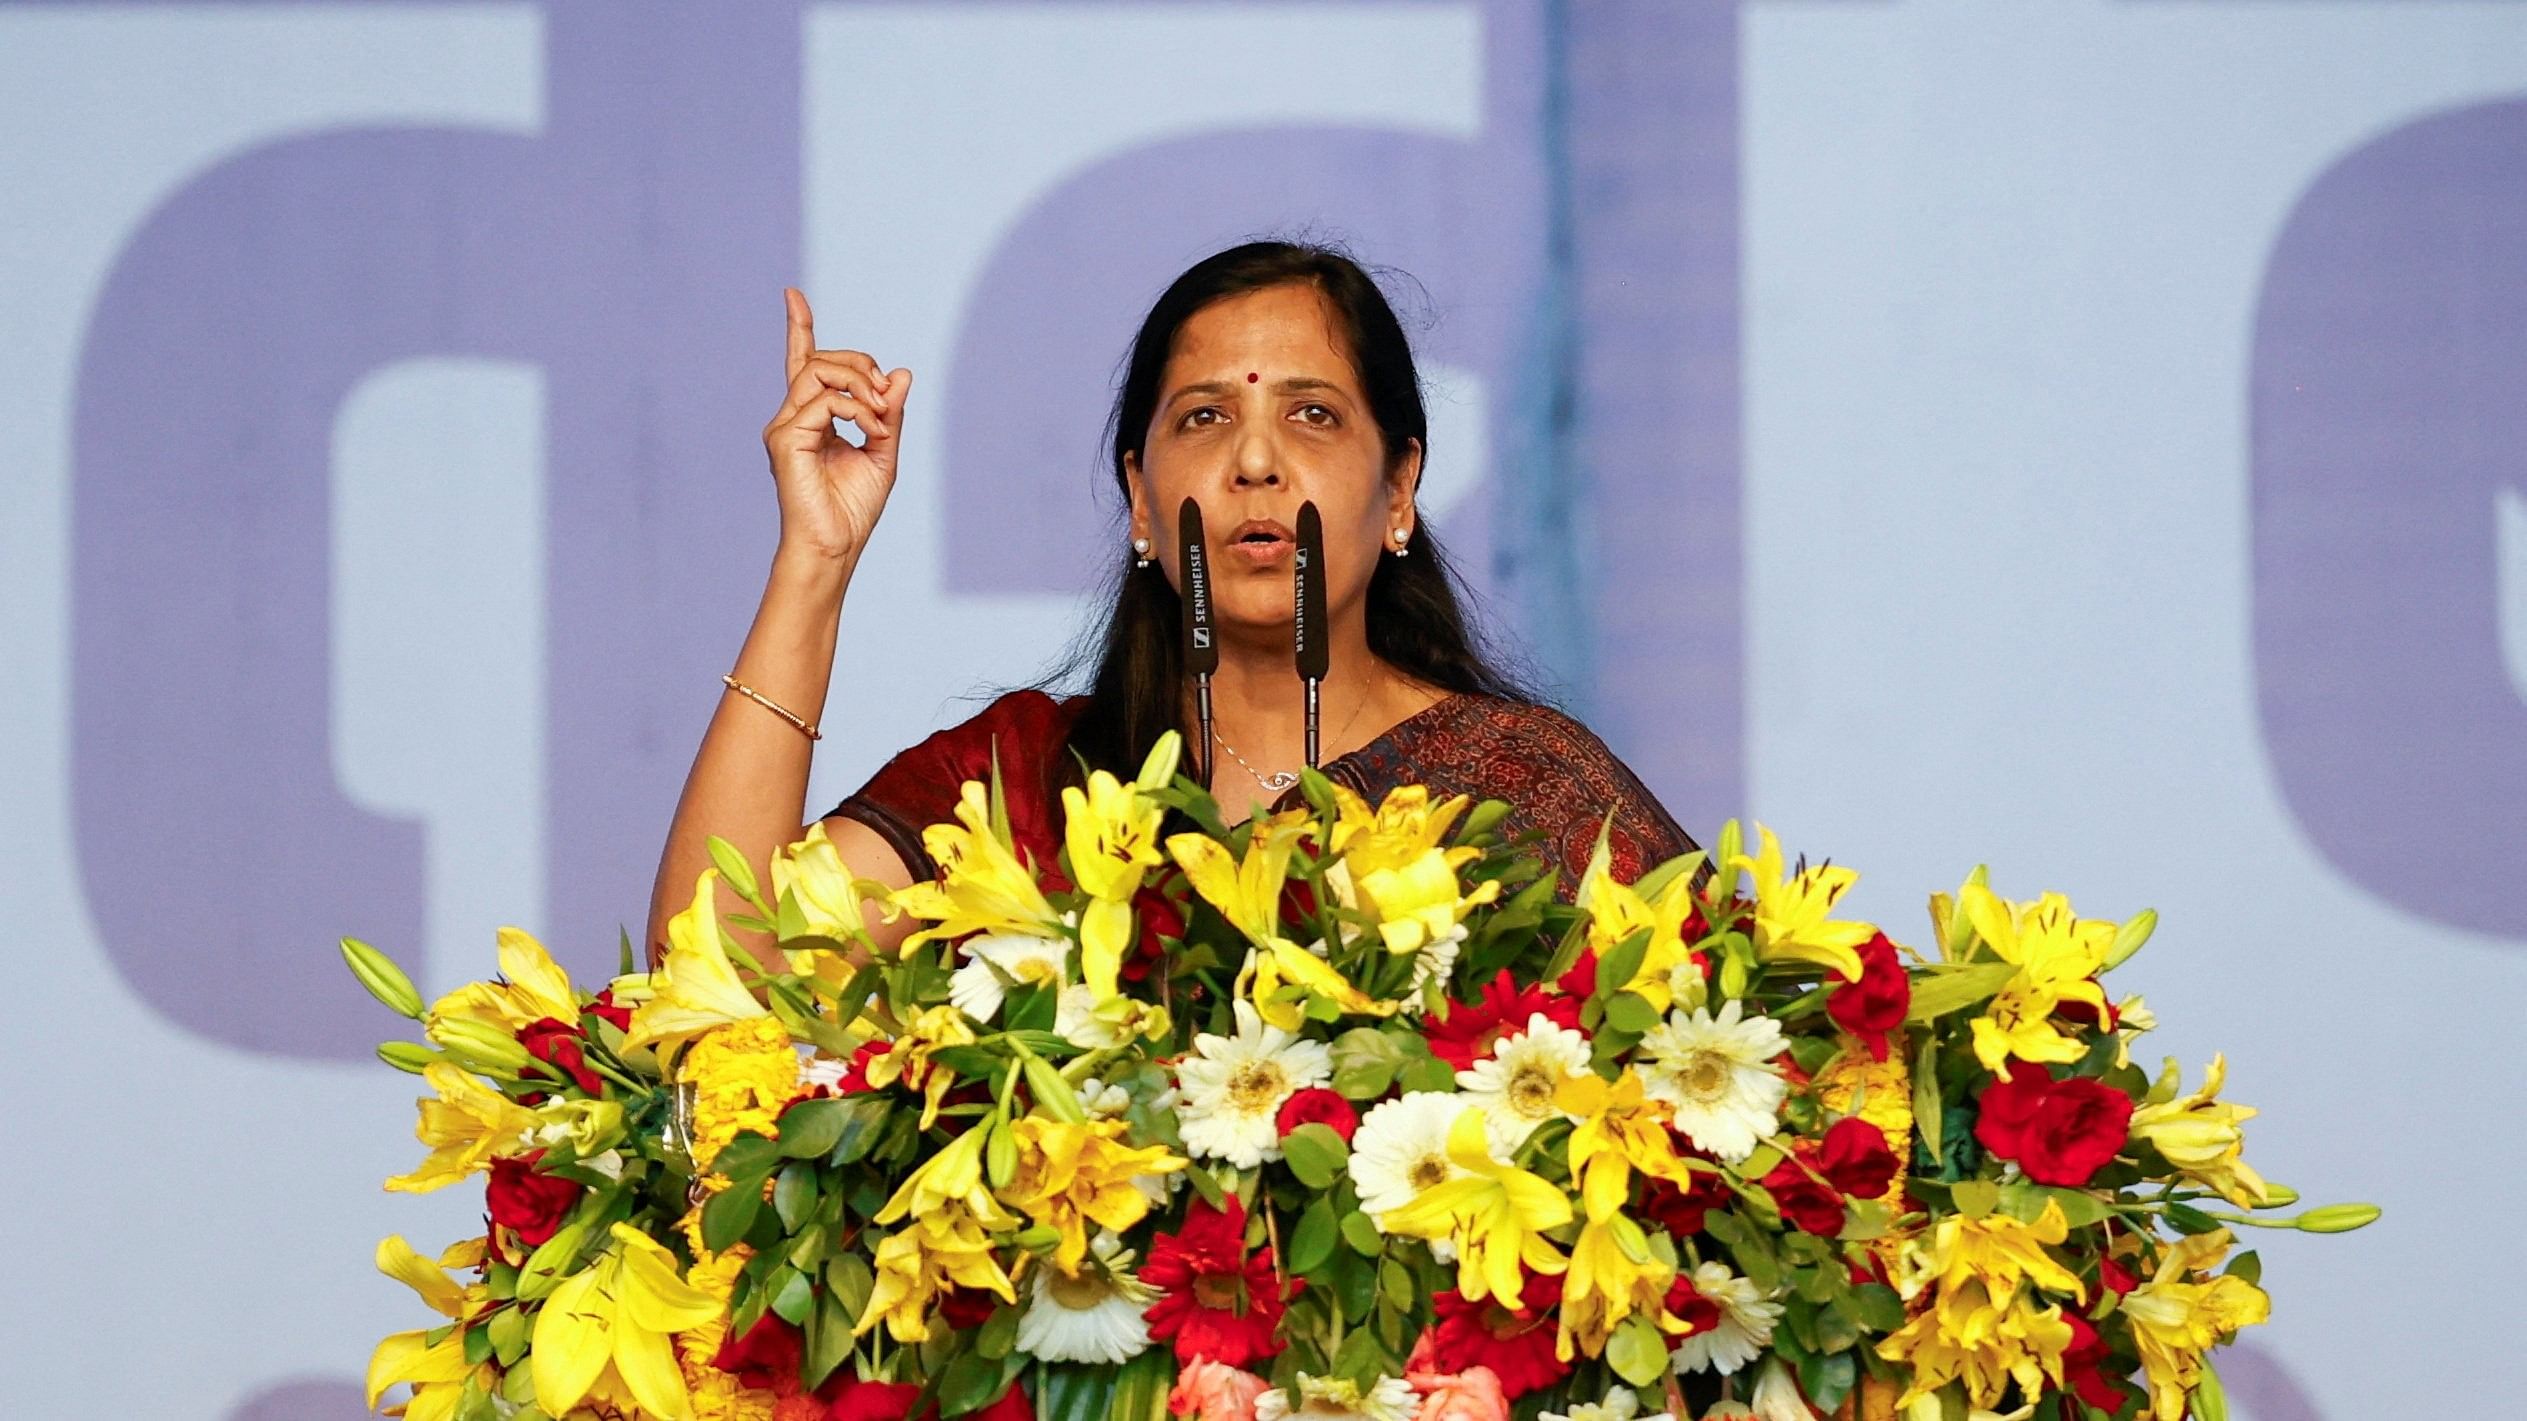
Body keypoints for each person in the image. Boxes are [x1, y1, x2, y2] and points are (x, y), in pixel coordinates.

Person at [644, 241, 1696, 964]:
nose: (1252, 461)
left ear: (1400, 489)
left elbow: (1756, 1087)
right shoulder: (1023, 793)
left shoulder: (1520, 794)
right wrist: (816, 558)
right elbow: (718, 973)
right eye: (1201, 417)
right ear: (1141, 497)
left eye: (1313, 414)